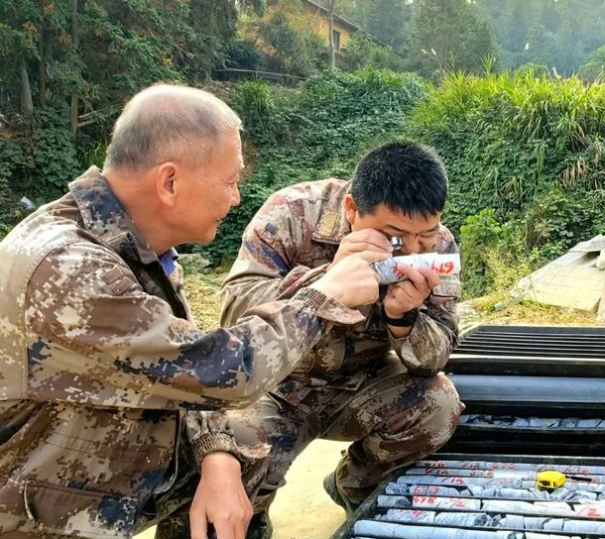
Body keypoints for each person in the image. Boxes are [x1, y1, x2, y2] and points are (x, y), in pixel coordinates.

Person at [0, 84, 386, 539]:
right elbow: (221, 369)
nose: (237, 198)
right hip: (29, 505)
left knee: (240, 450)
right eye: (230, 181)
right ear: (169, 182)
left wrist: (217, 454)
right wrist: (324, 295)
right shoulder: (70, 267)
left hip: (88, 467)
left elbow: (176, 372)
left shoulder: (136, 247)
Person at [217, 140, 463, 524]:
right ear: (351, 209)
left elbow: (437, 355)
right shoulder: (292, 212)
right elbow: (235, 313)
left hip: (363, 386)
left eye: (425, 236)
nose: (410, 251)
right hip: (278, 388)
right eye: (395, 237)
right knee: (225, 450)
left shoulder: (441, 245)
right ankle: (253, 514)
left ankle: (358, 487)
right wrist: (328, 281)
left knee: (438, 405)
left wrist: (404, 319)